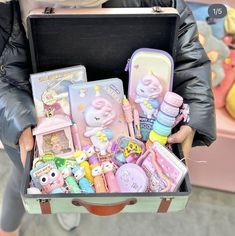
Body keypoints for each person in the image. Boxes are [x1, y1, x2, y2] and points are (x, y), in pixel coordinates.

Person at [0, 0, 216, 236]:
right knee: (23, 177)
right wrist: (17, 119)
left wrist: (193, 108)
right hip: (33, 122)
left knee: (78, 182)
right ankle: (22, 219)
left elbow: (186, 43)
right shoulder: (8, 9)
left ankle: (68, 200)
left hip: (119, 121)